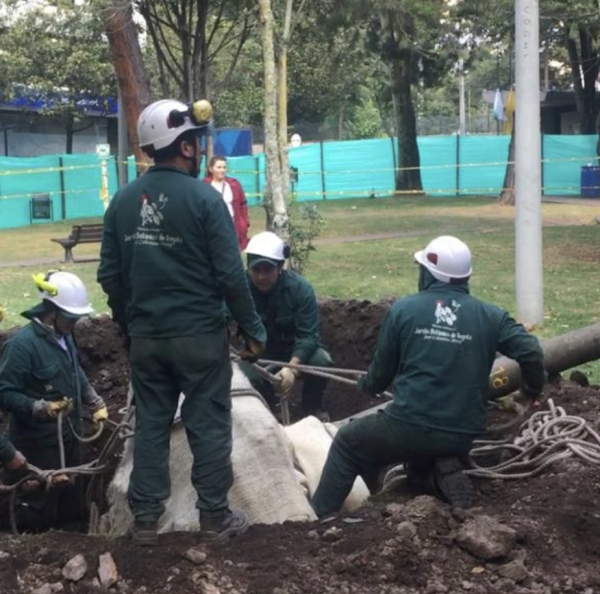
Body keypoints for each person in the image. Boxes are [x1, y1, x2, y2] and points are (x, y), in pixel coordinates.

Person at [97, 98, 267, 546]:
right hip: (199, 339)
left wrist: (128, 323)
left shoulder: (122, 201)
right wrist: (253, 330)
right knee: (208, 422)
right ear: (187, 147)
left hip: (148, 339)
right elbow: (231, 275)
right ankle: (213, 517)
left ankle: (146, 523)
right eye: (196, 141)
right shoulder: (205, 201)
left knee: (151, 423)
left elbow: (110, 276)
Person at [311, 235, 546, 516]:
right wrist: (530, 390)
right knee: (418, 446)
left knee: (349, 442)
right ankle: (434, 475)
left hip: (410, 428)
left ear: (428, 274)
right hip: (462, 435)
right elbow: (531, 350)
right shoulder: (491, 316)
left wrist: (367, 384)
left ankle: (318, 520)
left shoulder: (403, 310)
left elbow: (379, 379)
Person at [0, 271, 108, 531]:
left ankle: (74, 542)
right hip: (38, 445)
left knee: (72, 505)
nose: (76, 321)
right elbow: (4, 393)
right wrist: (38, 408)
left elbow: (75, 371)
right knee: (38, 508)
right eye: (71, 316)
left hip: (69, 436)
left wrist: (94, 401)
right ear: (52, 311)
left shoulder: (65, 335)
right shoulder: (21, 347)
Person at [241, 231, 333, 422]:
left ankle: (312, 407)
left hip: (296, 351)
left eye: (268, 270)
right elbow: (220, 317)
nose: (261, 277)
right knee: (242, 374)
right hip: (259, 352)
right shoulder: (240, 288)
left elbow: (308, 335)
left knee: (322, 361)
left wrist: (292, 367)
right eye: (255, 270)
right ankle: (269, 409)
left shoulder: (300, 290)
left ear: (281, 267)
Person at [203, 155, 250, 250]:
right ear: (211, 169)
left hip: (232, 224)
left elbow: (243, 205)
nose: (222, 170)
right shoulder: (204, 185)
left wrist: (243, 223)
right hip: (213, 226)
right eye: (219, 167)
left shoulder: (234, 184)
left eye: (224, 167)